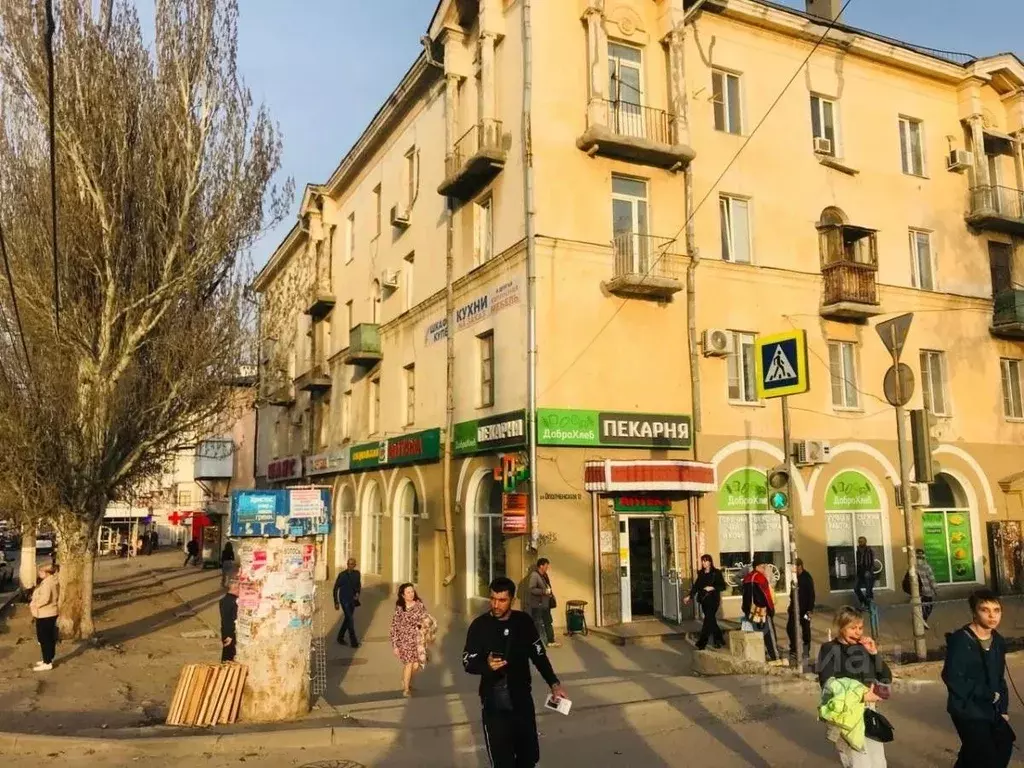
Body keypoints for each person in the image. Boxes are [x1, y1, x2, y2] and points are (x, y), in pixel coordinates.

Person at [463, 576, 567, 768]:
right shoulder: (479, 626)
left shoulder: (523, 622)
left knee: (528, 758)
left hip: (522, 700)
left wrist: (554, 684)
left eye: (502, 600)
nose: (496, 605)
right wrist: (486, 665)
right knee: (503, 762)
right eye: (493, 599)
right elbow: (468, 662)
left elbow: (539, 656)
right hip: (494, 702)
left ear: (512, 599)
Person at [942, 590, 1014, 768]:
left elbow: (999, 678)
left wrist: (1003, 708)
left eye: (996, 610)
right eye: (985, 610)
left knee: (1004, 742)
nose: (992, 616)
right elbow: (952, 677)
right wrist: (986, 694)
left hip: (992, 708)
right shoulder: (961, 640)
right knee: (985, 756)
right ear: (974, 612)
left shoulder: (998, 641)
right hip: (967, 709)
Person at [817, 606, 893, 767]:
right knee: (858, 763)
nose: (858, 633)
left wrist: (873, 653)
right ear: (841, 627)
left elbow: (886, 677)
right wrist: (861, 695)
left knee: (879, 762)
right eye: (852, 628)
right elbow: (827, 683)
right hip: (846, 715)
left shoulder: (862, 648)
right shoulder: (829, 649)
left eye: (860, 628)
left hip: (869, 711)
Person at [389, 583, 430, 697]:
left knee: (416, 666)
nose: (411, 594)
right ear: (403, 595)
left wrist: (425, 628)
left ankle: (405, 680)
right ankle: (406, 689)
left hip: (417, 639)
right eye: (408, 592)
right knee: (409, 663)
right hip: (404, 640)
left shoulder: (419, 605)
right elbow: (394, 626)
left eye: (412, 591)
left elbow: (426, 619)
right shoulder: (400, 608)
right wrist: (395, 646)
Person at [684, 554, 727, 650]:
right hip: (704, 601)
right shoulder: (701, 574)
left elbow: (723, 586)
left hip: (713, 601)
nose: (703, 563)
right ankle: (719, 639)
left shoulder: (716, 573)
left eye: (705, 561)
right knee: (711, 621)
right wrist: (689, 596)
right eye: (702, 561)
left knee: (707, 621)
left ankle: (701, 643)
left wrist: (712, 587)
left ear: (710, 562)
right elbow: (696, 587)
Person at [741, 559, 779, 661]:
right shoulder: (761, 578)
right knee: (769, 635)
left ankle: (755, 656)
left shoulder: (747, 578)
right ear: (757, 567)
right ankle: (774, 656)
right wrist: (771, 609)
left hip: (750, 611)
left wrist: (745, 609)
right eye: (763, 566)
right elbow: (767, 596)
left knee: (754, 634)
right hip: (762, 611)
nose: (764, 569)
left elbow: (744, 596)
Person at [29, 564, 60, 672]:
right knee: (47, 638)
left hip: (45, 613)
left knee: (44, 639)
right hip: (48, 613)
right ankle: (48, 659)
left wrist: (35, 605)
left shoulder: (47, 583)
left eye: (41, 572)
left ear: (47, 573)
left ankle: (47, 662)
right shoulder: (51, 581)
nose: (39, 574)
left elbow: (45, 598)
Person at [787, 558, 816, 663]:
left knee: (806, 630)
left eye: (793, 567)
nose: (792, 569)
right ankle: (794, 649)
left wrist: (810, 610)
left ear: (799, 566)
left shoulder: (807, 577)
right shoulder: (794, 578)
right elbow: (792, 594)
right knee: (790, 628)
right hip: (794, 610)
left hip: (805, 610)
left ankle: (806, 651)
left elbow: (811, 594)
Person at [525, 558, 559, 649]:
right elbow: (531, 589)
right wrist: (544, 591)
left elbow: (548, 587)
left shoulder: (544, 575)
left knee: (548, 622)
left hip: (545, 604)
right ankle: (534, 643)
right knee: (537, 624)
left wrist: (550, 595)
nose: (547, 568)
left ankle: (551, 641)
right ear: (541, 566)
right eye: (546, 566)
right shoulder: (534, 575)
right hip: (538, 605)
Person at [333, 558, 361, 647]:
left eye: (352, 564)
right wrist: (336, 602)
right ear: (347, 564)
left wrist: (358, 593)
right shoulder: (342, 575)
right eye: (349, 564)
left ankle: (340, 637)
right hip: (344, 599)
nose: (350, 566)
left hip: (352, 599)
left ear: (355, 565)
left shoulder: (357, 574)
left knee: (347, 619)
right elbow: (335, 588)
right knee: (350, 620)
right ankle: (354, 642)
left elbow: (358, 585)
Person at [915, 549, 938, 627]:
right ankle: (923, 620)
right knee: (928, 606)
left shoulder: (913, 567)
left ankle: (920, 619)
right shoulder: (926, 567)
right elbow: (931, 579)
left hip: (917, 591)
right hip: (927, 591)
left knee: (920, 606)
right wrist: (935, 589)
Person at [219, 580, 239, 662]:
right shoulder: (235, 602)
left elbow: (225, 619)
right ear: (235, 588)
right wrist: (230, 635)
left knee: (226, 653)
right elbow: (233, 620)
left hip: (224, 631)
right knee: (231, 656)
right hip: (231, 633)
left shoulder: (223, 600)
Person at [854, 537, 875, 609]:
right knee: (856, 588)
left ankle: (870, 606)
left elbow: (872, 562)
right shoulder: (857, 551)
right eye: (859, 541)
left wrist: (869, 571)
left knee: (868, 590)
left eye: (862, 541)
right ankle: (863, 601)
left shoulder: (869, 550)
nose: (860, 543)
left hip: (867, 572)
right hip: (860, 573)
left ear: (865, 542)